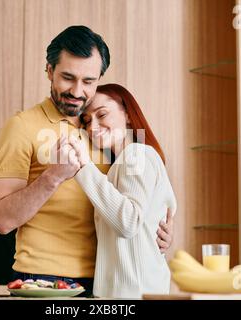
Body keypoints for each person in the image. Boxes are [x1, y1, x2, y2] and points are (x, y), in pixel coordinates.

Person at [0, 25, 173, 296]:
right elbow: (2, 220)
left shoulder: (105, 134)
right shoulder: (21, 127)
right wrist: (52, 177)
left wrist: (156, 229)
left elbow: (130, 204)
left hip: (105, 282)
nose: (77, 91)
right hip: (45, 280)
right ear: (50, 71)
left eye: (88, 81)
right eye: (67, 77)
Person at [63, 83, 177, 298]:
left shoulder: (137, 154)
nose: (92, 127)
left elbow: (128, 222)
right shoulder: (119, 165)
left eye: (102, 114)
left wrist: (82, 166)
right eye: (87, 120)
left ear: (126, 113)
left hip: (133, 295)